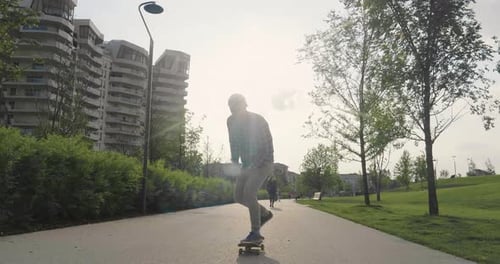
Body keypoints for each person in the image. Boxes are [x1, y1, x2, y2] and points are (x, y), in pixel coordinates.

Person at [227, 93, 274, 243]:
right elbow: (233, 143)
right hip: (247, 164)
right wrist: (235, 164)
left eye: (237, 108)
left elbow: (266, 146)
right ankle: (264, 213)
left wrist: (256, 164)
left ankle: (255, 233)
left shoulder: (257, 120)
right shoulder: (230, 121)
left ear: (244, 106)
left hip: (264, 161)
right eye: (231, 109)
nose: (234, 112)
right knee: (238, 196)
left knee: (249, 193)